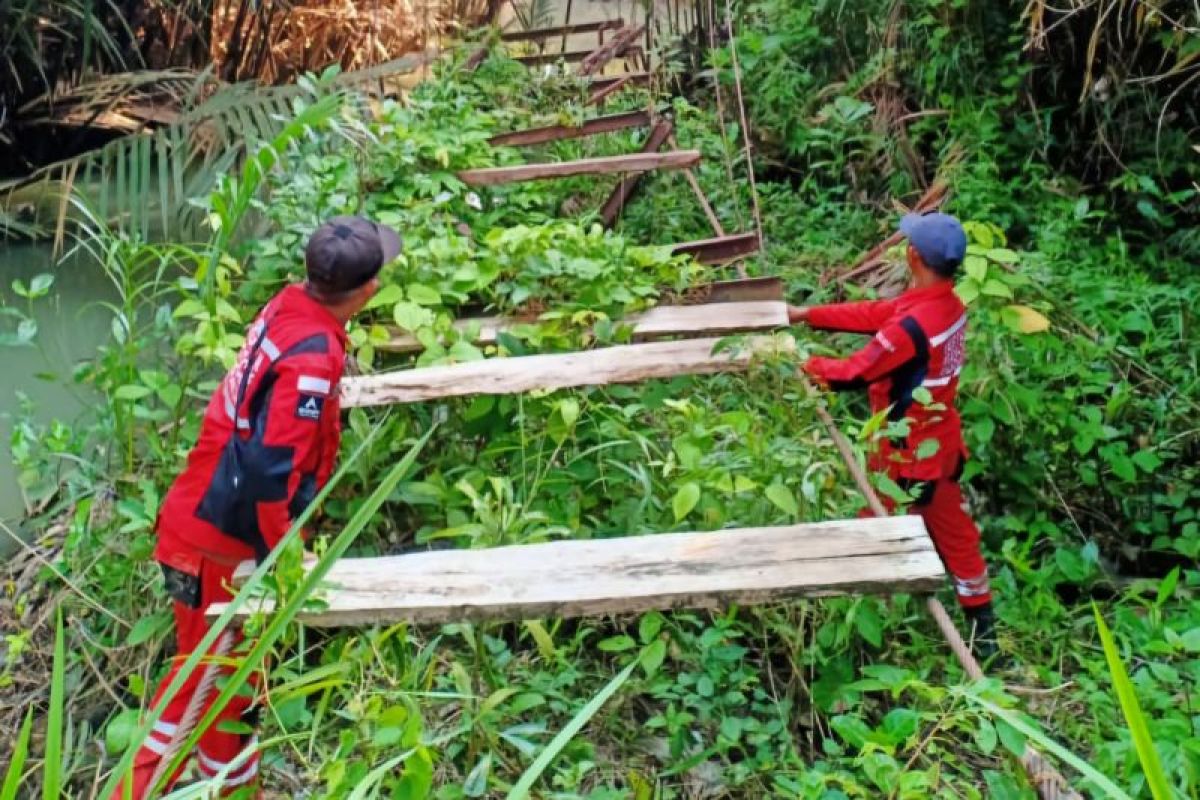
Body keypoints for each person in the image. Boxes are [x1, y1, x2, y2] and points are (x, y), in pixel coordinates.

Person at [112, 216, 401, 799]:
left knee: (228, 682)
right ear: (369, 290)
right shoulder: (314, 357)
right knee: (200, 680)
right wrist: (284, 557)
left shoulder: (288, 306)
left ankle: (233, 789)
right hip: (218, 541)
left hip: (198, 514)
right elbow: (271, 474)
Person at [790, 211, 996, 657]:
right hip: (939, 443)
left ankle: (863, 630)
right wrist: (807, 315)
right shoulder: (946, 306)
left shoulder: (913, 326)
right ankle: (985, 629)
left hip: (906, 453)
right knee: (955, 532)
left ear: (913, 255)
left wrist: (803, 366)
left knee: (876, 529)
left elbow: (855, 372)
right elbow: (875, 313)